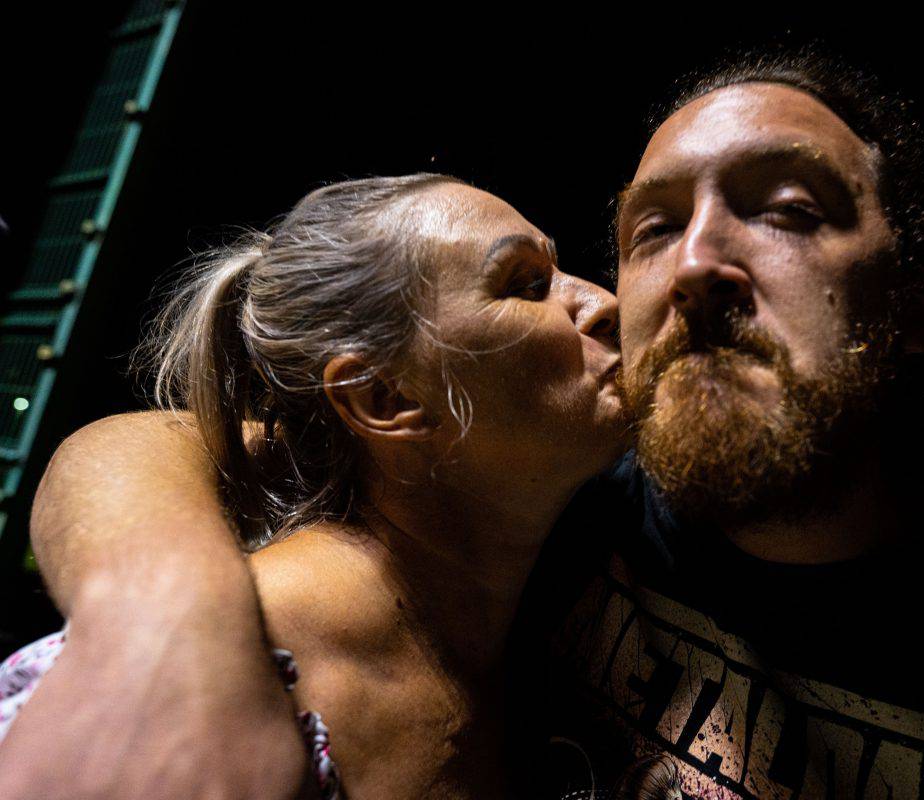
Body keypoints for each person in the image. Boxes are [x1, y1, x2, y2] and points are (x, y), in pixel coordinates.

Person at [4, 50, 924, 799]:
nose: (695, 266)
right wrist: (160, 626)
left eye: (786, 210)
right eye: (649, 229)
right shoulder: (544, 502)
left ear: (917, 302)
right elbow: (166, 440)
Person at [0, 174, 627, 799]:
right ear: (386, 398)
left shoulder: (528, 624)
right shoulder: (167, 689)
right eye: (528, 285)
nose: (604, 303)